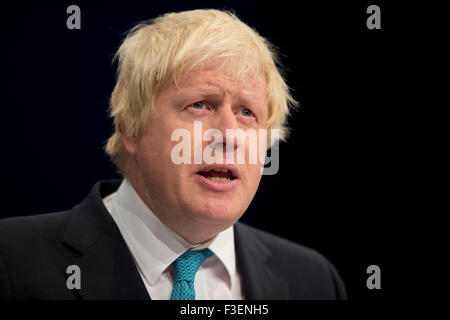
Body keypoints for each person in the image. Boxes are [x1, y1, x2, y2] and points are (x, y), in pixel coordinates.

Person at [0, 9, 346, 300]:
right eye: (199, 105)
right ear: (131, 127)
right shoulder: (11, 260)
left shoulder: (313, 281)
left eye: (247, 113)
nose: (228, 135)